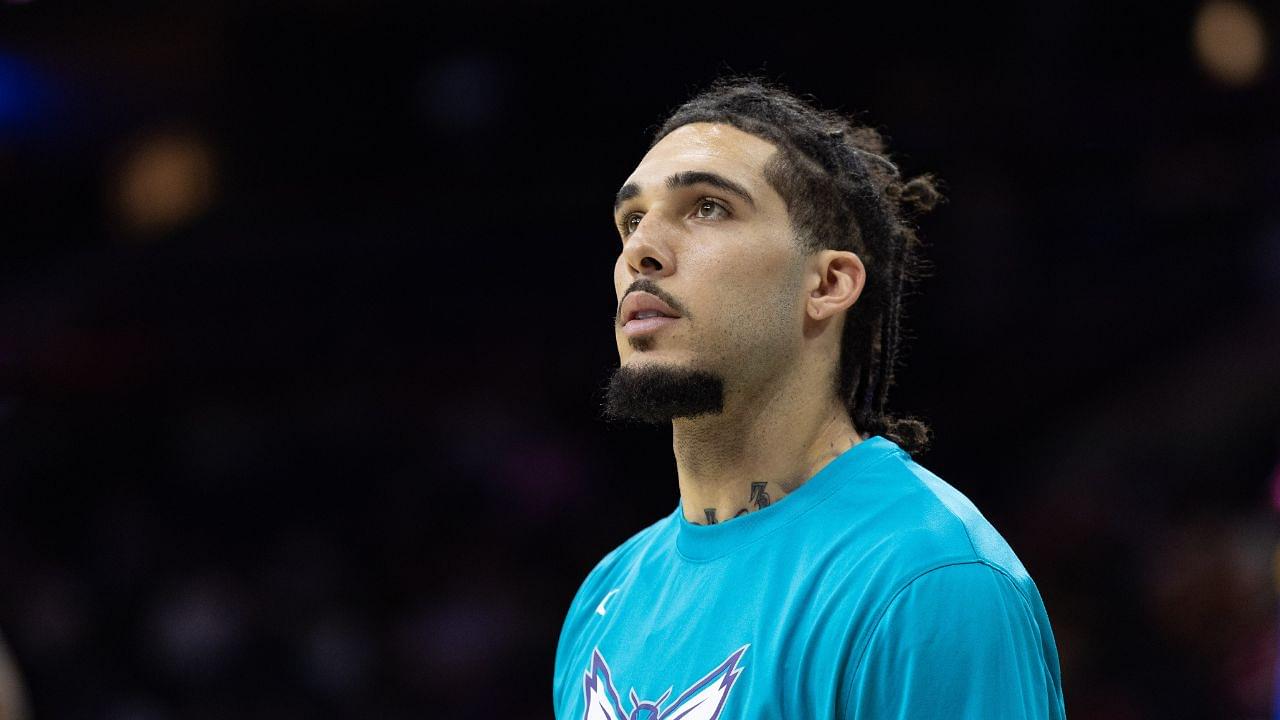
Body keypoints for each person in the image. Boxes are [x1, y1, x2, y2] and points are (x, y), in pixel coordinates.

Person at [553, 77, 1066, 719]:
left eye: (708, 207)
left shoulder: (925, 577)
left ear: (826, 282)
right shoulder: (607, 595)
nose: (640, 251)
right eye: (631, 219)